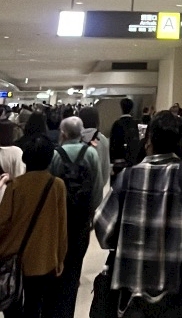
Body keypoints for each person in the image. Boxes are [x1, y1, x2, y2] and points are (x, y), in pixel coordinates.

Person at [94, 110, 182, 312]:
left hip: (132, 292)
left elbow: (102, 227)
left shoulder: (128, 176)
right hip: (177, 288)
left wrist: (126, 242)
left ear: (148, 141)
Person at [0, 136, 67, 317]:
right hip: (44, 260)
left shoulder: (15, 186)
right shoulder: (57, 186)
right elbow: (61, 227)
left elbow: (2, 222)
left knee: (13, 307)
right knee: (35, 306)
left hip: (15, 260)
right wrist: (60, 258)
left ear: (25, 158)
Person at [50, 115, 103, 318]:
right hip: (81, 219)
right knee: (74, 268)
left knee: (57, 266)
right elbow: (97, 188)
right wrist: (91, 213)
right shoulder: (91, 153)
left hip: (58, 220)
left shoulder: (56, 155)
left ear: (63, 133)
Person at [109, 97, 141, 184]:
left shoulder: (117, 124)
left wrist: (111, 163)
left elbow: (112, 144)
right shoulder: (135, 124)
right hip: (132, 162)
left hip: (118, 163)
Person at [79, 106, 110, 187]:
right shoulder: (103, 140)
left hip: (76, 188)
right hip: (96, 187)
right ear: (97, 121)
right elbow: (106, 169)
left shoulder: (75, 138)